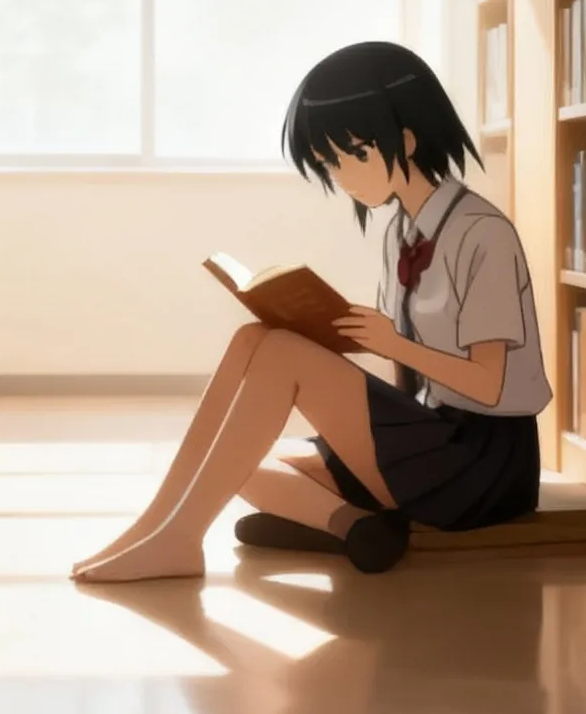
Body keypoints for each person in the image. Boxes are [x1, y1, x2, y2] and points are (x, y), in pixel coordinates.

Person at [71, 41, 551, 584]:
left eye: (349, 157)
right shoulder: (400, 231)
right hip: (431, 431)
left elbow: (489, 386)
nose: (340, 176)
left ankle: (185, 539)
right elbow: (409, 373)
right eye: (328, 163)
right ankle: (175, 525)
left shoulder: (482, 233)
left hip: (479, 461)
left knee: (277, 358)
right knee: (250, 378)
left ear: (407, 141)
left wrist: (390, 344)